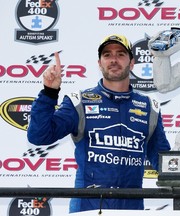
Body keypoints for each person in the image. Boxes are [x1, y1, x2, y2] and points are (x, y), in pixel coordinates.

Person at [27, 34, 171, 213]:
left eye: (120, 54)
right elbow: (39, 135)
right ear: (99, 63)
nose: (113, 60)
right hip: (88, 208)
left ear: (132, 63)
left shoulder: (149, 108)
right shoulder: (79, 101)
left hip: (131, 208)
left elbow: (164, 163)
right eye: (107, 55)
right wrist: (49, 92)